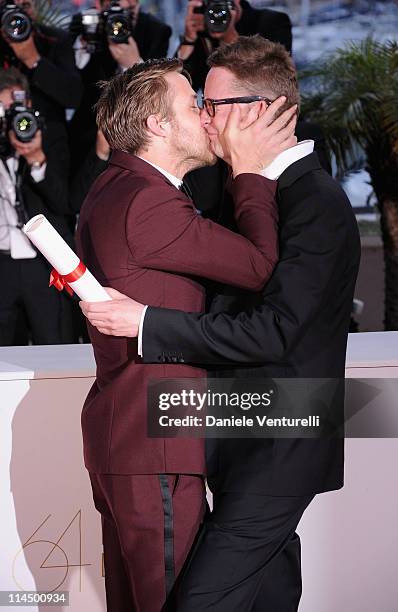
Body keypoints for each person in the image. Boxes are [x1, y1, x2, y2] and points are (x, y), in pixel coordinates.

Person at [80, 36, 362, 611]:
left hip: (283, 439)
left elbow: (274, 331)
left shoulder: (316, 200)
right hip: (227, 436)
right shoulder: (237, 187)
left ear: (258, 110)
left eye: (214, 104)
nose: (206, 118)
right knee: (267, 596)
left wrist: (147, 324)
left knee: (199, 601)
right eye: (198, 105)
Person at [0, 68, 76, 345]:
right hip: (2, 262)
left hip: (42, 263)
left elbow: (64, 202)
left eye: (16, 108)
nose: (12, 118)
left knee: (53, 341)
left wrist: (36, 159)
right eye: (3, 110)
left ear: (29, 105)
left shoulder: (49, 133)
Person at [68, 0, 172, 175]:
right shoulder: (89, 25)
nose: (119, 20)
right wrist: (84, 40)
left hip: (138, 137)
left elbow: (159, 90)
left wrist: (134, 64)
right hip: (87, 135)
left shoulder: (157, 31)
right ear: (99, 6)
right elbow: (73, 83)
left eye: (126, 11)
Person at [178, 0, 292, 92]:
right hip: (214, 112)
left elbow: (275, 78)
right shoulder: (202, 30)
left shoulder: (272, 21)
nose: (217, 15)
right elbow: (183, 88)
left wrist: (230, 38)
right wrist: (189, 40)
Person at [0, 0, 82, 123]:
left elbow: (73, 97)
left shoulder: (55, 40)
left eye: (25, 6)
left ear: (34, 8)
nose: (16, 16)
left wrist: (33, 59)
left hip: (47, 134)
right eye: (9, 7)